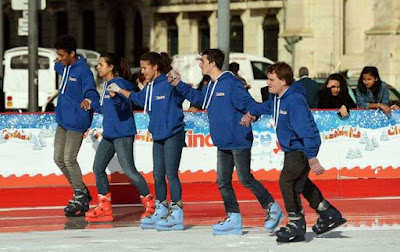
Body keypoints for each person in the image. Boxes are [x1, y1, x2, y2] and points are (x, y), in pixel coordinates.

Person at [168, 48, 283, 236]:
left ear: (212, 63)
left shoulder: (231, 83)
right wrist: (179, 83)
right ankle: (234, 218)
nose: (200, 64)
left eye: (203, 61)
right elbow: (199, 99)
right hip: (223, 141)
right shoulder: (211, 85)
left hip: (238, 139)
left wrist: (252, 114)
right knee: (222, 182)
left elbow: (249, 104)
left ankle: (272, 207)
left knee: (245, 178)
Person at [241, 62, 346, 243]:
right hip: (293, 147)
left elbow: (305, 130)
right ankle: (329, 213)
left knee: (287, 181)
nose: (268, 83)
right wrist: (251, 113)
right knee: (301, 184)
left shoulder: (295, 101)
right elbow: (266, 107)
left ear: (283, 81)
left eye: (271, 79)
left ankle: (296, 223)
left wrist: (312, 157)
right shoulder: (277, 98)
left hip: (301, 148)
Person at [107, 52, 186, 231]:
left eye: (144, 67)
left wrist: (179, 82)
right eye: (141, 68)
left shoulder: (168, 83)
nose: (142, 71)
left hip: (173, 133)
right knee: (158, 174)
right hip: (158, 135)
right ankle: (160, 208)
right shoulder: (150, 87)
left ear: (155, 67)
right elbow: (138, 98)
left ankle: (177, 212)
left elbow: (185, 94)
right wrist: (119, 91)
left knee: (171, 174)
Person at [83, 52, 155, 223]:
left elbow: (124, 106)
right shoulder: (107, 84)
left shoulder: (119, 84)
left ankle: (150, 203)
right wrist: (91, 104)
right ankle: (104, 206)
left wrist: (115, 97)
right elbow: (104, 107)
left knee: (129, 170)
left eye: (101, 64)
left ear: (111, 67)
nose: (98, 67)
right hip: (110, 134)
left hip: (122, 133)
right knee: (98, 167)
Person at [53, 35, 100, 217]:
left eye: (63, 55)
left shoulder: (83, 72)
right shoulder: (64, 67)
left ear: (72, 54)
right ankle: (81, 191)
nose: (60, 58)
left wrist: (88, 99)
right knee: (58, 158)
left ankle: (79, 194)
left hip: (77, 121)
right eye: (59, 55)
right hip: (63, 119)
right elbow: (58, 66)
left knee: (69, 159)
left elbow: (91, 91)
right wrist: (57, 61)